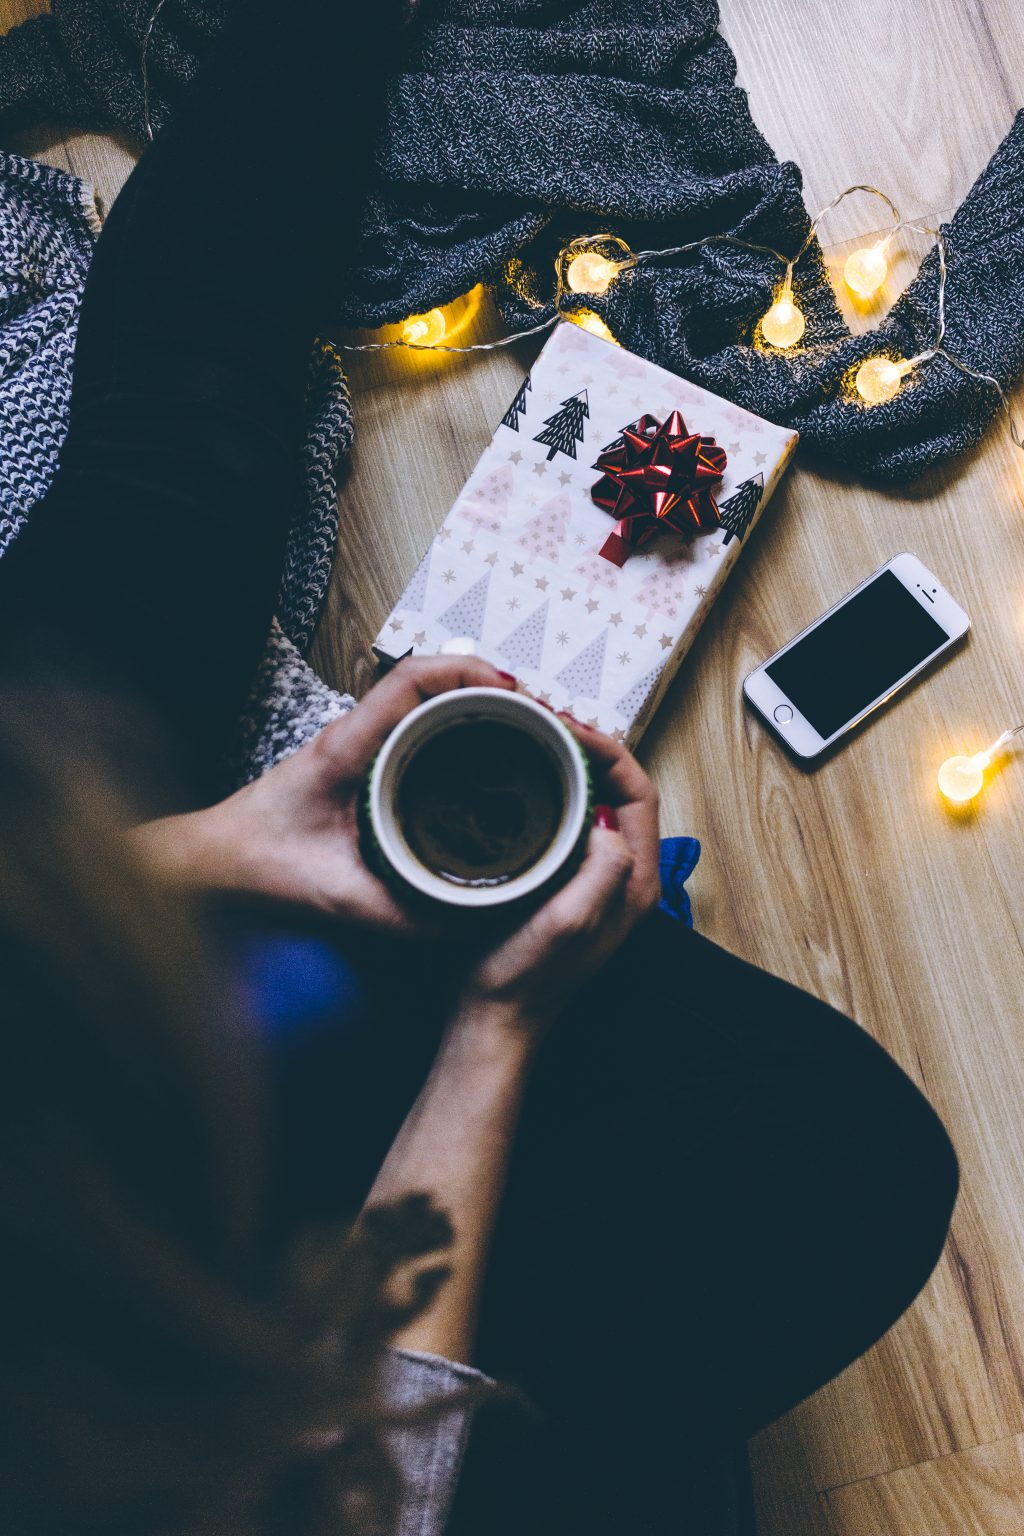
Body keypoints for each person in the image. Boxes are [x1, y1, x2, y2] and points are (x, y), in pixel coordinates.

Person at [0, 0, 959, 1531]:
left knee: (176, 468)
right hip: (225, 1366)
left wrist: (215, 848)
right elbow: (366, 1493)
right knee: (856, 1170)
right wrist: (496, 1026)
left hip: (78, 1037)